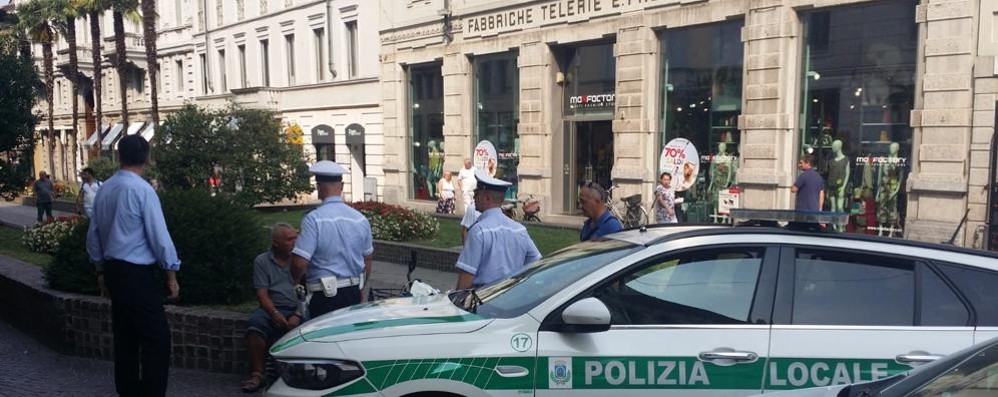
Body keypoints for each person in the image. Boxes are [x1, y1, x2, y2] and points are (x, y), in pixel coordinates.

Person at [86, 134, 181, 397]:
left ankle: (128, 392)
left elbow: (93, 234)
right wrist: (171, 274)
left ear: (119, 156)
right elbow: (159, 236)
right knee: (156, 339)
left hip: (114, 270)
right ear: (147, 158)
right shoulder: (142, 190)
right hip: (137, 273)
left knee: (125, 338)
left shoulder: (105, 188)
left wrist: (100, 271)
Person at [291, 161, 374, 318]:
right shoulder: (360, 219)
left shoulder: (313, 219)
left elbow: (299, 262)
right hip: (352, 291)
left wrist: (295, 281)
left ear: (319, 187)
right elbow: (367, 260)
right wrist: (360, 286)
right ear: (341, 186)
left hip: (323, 296)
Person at [455, 168, 541, 290]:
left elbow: (465, 280)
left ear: (487, 198)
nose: (474, 197)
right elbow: (536, 263)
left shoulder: (478, 231)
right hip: (512, 297)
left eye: (476, 194)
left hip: (483, 299)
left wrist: (455, 303)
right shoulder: (520, 230)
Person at [241, 223, 302, 393]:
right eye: (289, 239)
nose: (294, 242)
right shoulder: (262, 261)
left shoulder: (300, 260)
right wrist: (274, 313)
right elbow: (262, 294)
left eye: (295, 238)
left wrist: (297, 314)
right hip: (274, 306)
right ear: (276, 243)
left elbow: (310, 291)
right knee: (255, 325)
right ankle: (257, 374)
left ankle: (300, 375)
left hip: (299, 306)